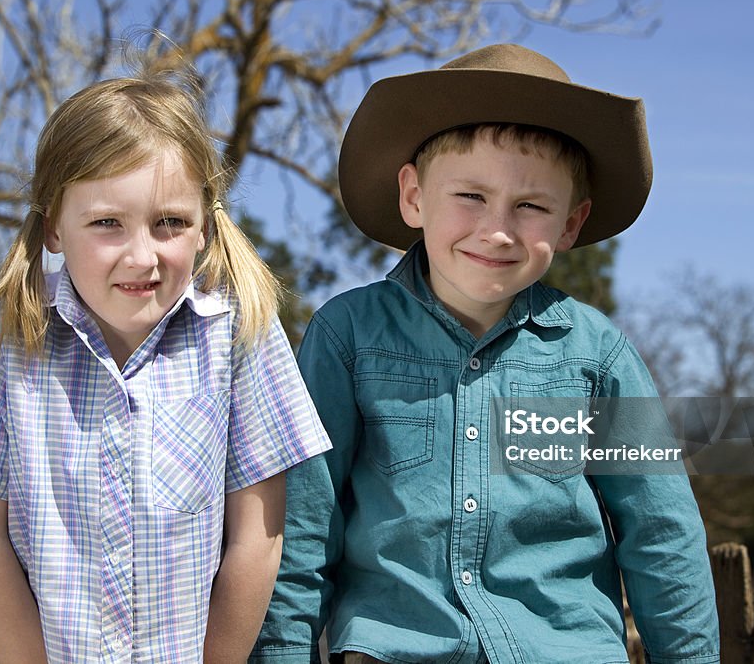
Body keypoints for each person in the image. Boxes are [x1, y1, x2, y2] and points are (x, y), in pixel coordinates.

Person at [252, 44, 720, 663]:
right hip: (397, 651)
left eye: (531, 206)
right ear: (415, 197)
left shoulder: (599, 356)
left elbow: (662, 535)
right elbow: (301, 531)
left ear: (571, 223)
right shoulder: (347, 336)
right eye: (470, 196)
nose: (497, 230)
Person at [0, 62, 331, 663]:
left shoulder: (241, 333)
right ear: (54, 225)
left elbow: (257, 539)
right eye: (108, 223)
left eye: (170, 224)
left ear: (205, 228)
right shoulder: (2, 335)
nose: (143, 256)